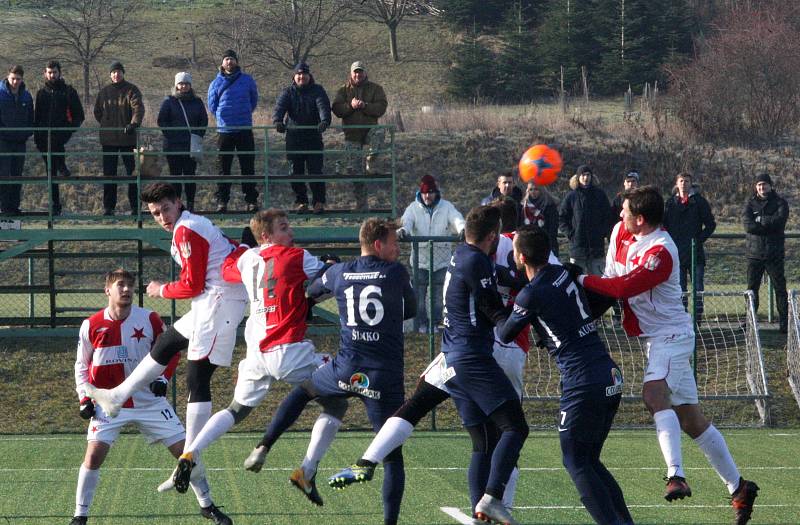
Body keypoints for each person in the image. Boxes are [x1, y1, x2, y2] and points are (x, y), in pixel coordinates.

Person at [577, 186, 759, 525]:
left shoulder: (662, 250)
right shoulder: (619, 232)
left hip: (671, 336)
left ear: (641, 220)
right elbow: (611, 281)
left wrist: (579, 277)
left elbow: (623, 288)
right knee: (690, 419)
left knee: (652, 394)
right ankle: (739, 487)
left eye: (626, 211)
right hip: (652, 338)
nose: (620, 216)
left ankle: (675, 474)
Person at [240, 218, 415, 525]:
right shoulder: (396, 272)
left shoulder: (340, 271)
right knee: (392, 457)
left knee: (303, 392)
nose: (397, 248)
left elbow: (311, 292)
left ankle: (265, 444)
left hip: (345, 369)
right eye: (392, 242)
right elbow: (411, 310)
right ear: (377, 245)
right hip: (381, 376)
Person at [171, 209, 346, 507]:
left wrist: (241, 250)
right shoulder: (298, 256)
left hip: (256, 352)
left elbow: (227, 269)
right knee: (338, 400)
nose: (290, 233)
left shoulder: (246, 259)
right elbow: (325, 281)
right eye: (283, 227)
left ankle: (190, 452)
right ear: (265, 235)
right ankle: (307, 469)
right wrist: (333, 264)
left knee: (237, 409)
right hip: (290, 350)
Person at [83, 183, 248, 499]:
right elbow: (227, 251)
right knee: (166, 343)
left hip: (217, 303)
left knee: (198, 380)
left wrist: (161, 289)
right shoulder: (192, 225)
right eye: (155, 213)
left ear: (178, 203)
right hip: (213, 302)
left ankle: (188, 456)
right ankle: (117, 396)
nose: (161, 217)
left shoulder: (187, 230)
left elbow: (192, 284)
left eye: (165, 209)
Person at [495, 226, 633, 525]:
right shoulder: (564, 273)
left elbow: (506, 333)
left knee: (575, 461)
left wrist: (500, 299)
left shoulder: (531, 294)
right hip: (608, 373)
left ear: (520, 256)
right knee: (590, 459)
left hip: (582, 381)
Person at [71, 269, 231, 525]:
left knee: (187, 452)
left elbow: (172, 352)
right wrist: (84, 398)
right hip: (109, 403)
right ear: (107, 290)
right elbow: (81, 365)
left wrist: (162, 379)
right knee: (92, 456)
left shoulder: (150, 319)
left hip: (149, 402)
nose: (126, 290)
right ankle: (80, 516)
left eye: (130, 286)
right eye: (120, 285)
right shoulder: (91, 324)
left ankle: (207, 504)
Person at [442, 205, 530, 524]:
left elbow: (501, 278)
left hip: (454, 354)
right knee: (516, 427)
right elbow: (491, 308)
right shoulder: (477, 260)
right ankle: (493, 498)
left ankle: (480, 515)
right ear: (493, 236)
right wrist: (522, 317)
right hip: (472, 356)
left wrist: (524, 282)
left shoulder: (464, 255)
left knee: (483, 441)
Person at [397, 174, 465, 333]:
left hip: (441, 262)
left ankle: (434, 324)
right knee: (419, 297)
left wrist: (462, 229)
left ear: (436, 192)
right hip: (420, 261)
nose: (427, 196)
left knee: (437, 298)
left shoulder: (446, 207)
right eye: (425, 192)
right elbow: (406, 222)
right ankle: (420, 324)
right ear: (420, 193)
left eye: (431, 192)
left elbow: (456, 219)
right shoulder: (413, 208)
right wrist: (403, 231)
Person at [273, 62, 331, 214]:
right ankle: (301, 202)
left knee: (315, 171)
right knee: (295, 172)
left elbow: (323, 106)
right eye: (298, 74)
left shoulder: (317, 90)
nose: (301, 77)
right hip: (294, 137)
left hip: (313, 136)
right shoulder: (288, 92)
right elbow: (280, 107)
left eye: (304, 74)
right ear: (294, 76)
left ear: (309, 76)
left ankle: (318, 202)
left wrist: (324, 121)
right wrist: (278, 121)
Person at [207, 49, 259, 213]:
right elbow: (212, 105)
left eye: (232, 59)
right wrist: (223, 118)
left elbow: (254, 99)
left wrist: (243, 114)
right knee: (223, 168)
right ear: (222, 63)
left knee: (248, 167)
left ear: (236, 62)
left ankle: (251, 201)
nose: (229, 62)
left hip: (244, 128)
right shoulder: (215, 83)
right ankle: (222, 201)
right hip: (225, 131)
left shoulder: (247, 80)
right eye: (226, 59)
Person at [331, 61, 388, 211]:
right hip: (352, 134)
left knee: (380, 132)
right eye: (355, 72)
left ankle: (371, 160)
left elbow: (381, 107)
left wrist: (365, 106)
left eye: (360, 71)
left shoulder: (376, 89)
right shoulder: (343, 90)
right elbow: (336, 109)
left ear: (365, 73)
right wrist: (351, 106)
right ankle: (361, 205)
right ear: (351, 73)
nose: (358, 74)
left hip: (370, 130)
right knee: (355, 171)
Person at [33, 60, 85, 216]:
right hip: (43, 139)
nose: (52, 75)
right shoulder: (41, 93)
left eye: (54, 72)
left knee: (53, 169)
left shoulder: (68, 91)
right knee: (51, 173)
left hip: (59, 136)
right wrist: (37, 137)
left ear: (59, 73)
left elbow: (79, 115)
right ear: (45, 73)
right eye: (49, 72)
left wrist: (67, 131)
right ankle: (55, 204)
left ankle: (56, 205)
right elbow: (37, 117)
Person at [663, 172, 716, 318]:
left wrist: (698, 240)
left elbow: (711, 224)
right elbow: (664, 225)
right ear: (676, 183)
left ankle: (697, 318)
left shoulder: (699, 202)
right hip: (677, 253)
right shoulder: (670, 203)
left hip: (695, 252)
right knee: (679, 289)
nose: (684, 183)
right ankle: (682, 317)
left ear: (691, 184)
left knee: (698, 288)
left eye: (687, 181)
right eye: (681, 181)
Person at [93, 61, 143, 216]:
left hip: (128, 139)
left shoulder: (131, 90)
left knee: (133, 174)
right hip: (108, 141)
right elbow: (97, 112)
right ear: (110, 75)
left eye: (119, 71)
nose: (116, 74)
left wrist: (133, 124)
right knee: (109, 175)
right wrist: (107, 124)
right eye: (113, 72)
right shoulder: (104, 92)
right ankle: (109, 208)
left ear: (123, 73)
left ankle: (135, 207)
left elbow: (138, 108)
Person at [743, 173, 789, 333]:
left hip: (774, 254)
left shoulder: (780, 202)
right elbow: (748, 225)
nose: (762, 187)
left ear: (770, 185)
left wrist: (761, 220)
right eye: (759, 185)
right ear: (756, 187)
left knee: (780, 289)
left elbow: (780, 221)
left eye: (764, 184)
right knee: (751, 290)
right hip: (754, 254)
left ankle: (785, 323)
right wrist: (767, 222)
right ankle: (749, 323)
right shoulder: (750, 203)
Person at [157, 71, 208, 212]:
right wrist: (173, 134)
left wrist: (197, 135)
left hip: (190, 145)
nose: (183, 86)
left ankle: (190, 204)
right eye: (181, 83)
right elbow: (162, 121)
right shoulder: (169, 101)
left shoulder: (197, 102)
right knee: (175, 177)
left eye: (186, 83)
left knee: (190, 176)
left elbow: (203, 121)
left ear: (190, 85)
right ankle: (176, 204)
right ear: (176, 85)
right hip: (173, 146)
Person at [559, 165, 613, 276]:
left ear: (592, 177)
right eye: (583, 175)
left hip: (596, 248)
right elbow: (562, 218)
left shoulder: (600, 194)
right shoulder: (571, 196)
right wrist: (571, 234)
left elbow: (608, 216)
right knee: (577, 280)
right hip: (578, 248)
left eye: (588, 175)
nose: (585, 178)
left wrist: (602, 232)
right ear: (578, 177)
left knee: (598, 281)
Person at [0, 65, 33, 216]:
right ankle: (4, 207)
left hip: (20, 141)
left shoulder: (26, 96)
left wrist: (26, 133)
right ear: (8, 76)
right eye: (13, 78)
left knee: (17, 174)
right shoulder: (0, 94)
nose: (15, 82)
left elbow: (31, 118)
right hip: (3, 141)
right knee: (4, 174)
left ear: (22, 79)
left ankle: (14, 206)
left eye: (18, 79)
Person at [522, 181, 559, 256]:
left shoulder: (549, 205)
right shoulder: (524, 206)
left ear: (541, 190)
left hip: (546, 243)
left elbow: (553, 227)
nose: (533, 192)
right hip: (529, 244)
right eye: (531, 189)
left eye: (536, 189)